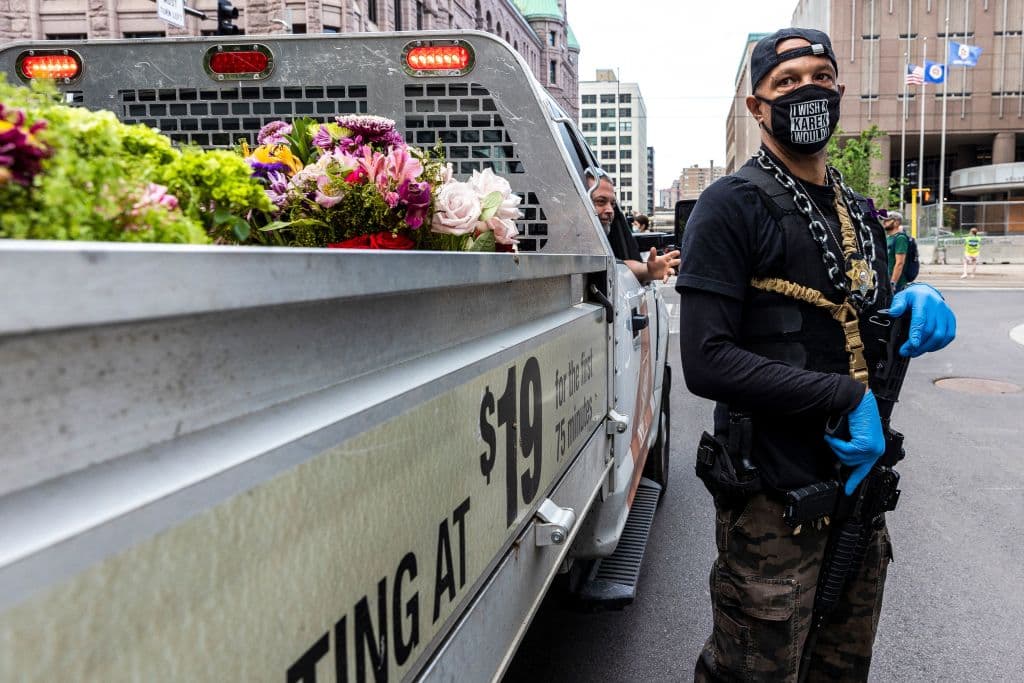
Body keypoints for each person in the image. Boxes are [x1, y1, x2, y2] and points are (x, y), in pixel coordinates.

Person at [675, 28, 956, 682]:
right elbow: (706, 360)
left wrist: (912, 300)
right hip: (773, 503)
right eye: (787, 82)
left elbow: (861, 317)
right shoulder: (728, 207)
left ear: (840, 91)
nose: (808, 91)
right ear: (756, 106)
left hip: (857, 499)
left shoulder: (858, 211)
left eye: (821, 78)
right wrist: (844, 397)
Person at [587, 171, 679, 283]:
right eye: (600, 201)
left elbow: (619, 266)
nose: (610, 210)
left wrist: (648, 271)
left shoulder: (604, 247)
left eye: (613, 204)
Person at [884, 210, 909, 291]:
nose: (884, 222)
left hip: (896, 284)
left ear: (896, 222)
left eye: (887, 220)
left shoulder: (900, 238)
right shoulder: (888, 238)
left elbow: (900, 263)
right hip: (886, 280)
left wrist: (893, 283)